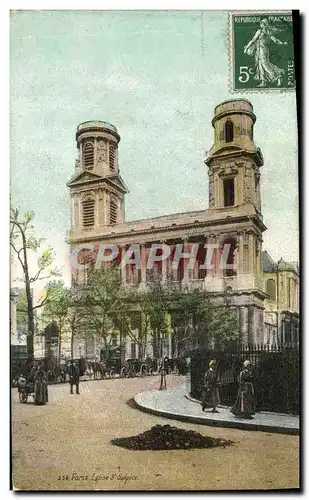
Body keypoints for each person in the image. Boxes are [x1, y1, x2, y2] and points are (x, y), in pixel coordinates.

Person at [244, 18, 288, 87]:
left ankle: (278, 77)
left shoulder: (264, 32)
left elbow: (275, 40)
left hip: (263, 50)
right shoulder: (265, 32)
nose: (261, 25)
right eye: (260, 23)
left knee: (265, 65)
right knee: (260, 65)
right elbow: (253, 40)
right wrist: (247, 47)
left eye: (262, 23)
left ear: (265, 24)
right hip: (260, 50)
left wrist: (282, 43)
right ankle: (263, 82)